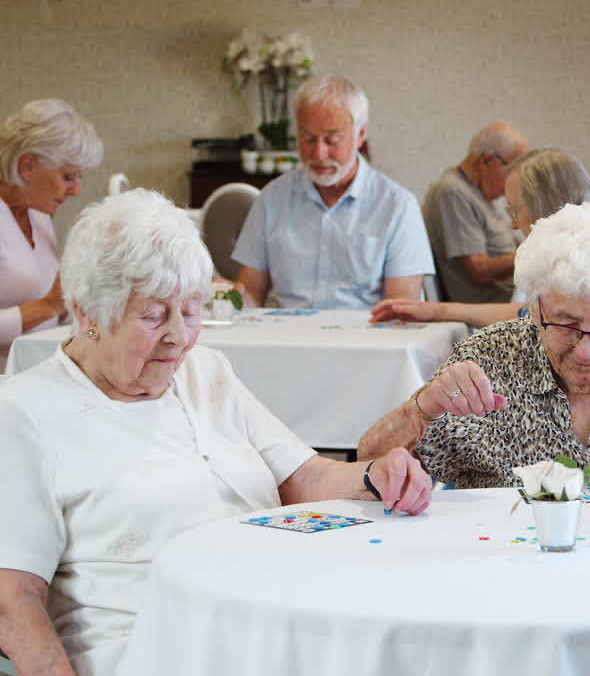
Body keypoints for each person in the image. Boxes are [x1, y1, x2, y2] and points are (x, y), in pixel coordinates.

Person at [0, 189, 433, 676]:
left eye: (189, 310)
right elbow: (13, 598)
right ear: (87, 315)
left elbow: (306, 476)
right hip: (152, 645)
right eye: (152, 315)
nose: (179, 336)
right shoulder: (25, 412)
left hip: (271, 624)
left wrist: (376, 474)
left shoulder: (208, 371)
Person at [359, 201, 590, 490]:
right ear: (534, 308)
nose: (584, 350)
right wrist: (424, 406)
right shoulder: (488, 360)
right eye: (566, 324)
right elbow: (367, 465)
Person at [373, 148, 590, 332]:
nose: (514, 222)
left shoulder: (585, 256)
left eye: (515, 209)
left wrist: (441, 312)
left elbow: (530, 324)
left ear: (545, 206)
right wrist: (438, 311)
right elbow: (528, 316)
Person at [231, 74, 434, 309]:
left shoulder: (397, 205)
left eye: (332, 140)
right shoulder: (272, 198)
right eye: (308, 139)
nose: (319, 154)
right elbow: (251, 294)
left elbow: (401, 308)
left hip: (366, 340)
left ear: (360, 135)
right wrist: (228, 296)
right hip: (287, 338)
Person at [0, 99, 102, 371]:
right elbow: (51, 306)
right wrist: (48, 306)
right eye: (68, 177)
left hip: (39, 369)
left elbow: (59, 310)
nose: (75, 191)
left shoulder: (39, 215)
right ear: (27, 166)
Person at [424, 122, 528, 303]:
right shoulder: (452, 191)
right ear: (487, 160)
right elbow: (479, 270)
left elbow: (512, 245)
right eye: (512, 170)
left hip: (512, 294)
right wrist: (534, 253)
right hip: (490, 304)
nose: (513, 180)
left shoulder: (486, 193)